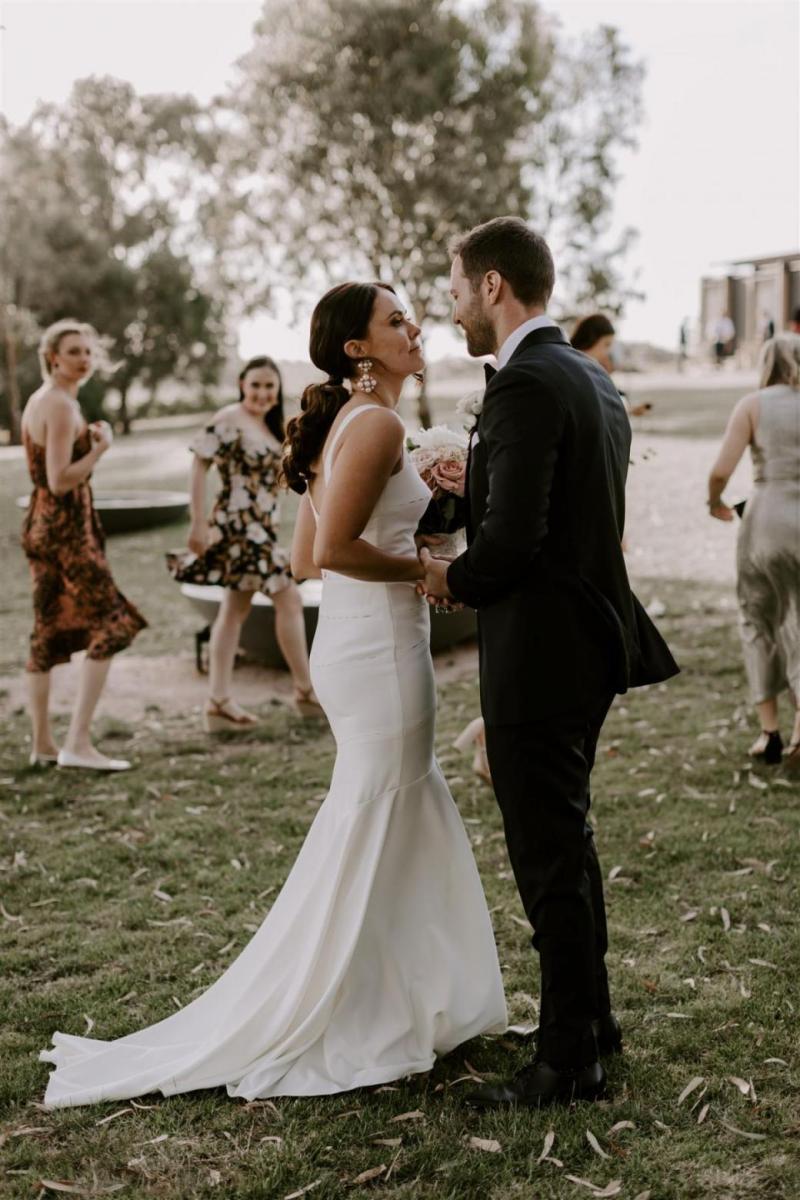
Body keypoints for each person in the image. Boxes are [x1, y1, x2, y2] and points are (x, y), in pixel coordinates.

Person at [39, 281, 506, 1109]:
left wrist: (422, 530)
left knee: (391, 805)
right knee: (383, 805)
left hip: (366, 644)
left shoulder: (351, 424)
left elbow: (303, 557)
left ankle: (399, 990)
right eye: (396, 321)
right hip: (377, 651)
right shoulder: (375, 422)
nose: (415, 327)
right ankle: (355, 1001)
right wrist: (429, 570)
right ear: (358, 348)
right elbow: (329, 551)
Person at [420, 216, 679, 1109]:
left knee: (547, 857)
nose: (451, 305)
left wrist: (439, 575)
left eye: (456, 287)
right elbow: (570, 508)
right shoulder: (587, 378)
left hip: (542, 655)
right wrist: (479, 480)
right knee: (568, 846)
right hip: (588, 645)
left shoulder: (526, 383)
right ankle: (589, 1021)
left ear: (494, 286)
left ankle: (569, 1064)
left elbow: (514, 551)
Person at [20, 319, 146, 772]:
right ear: (53, 357)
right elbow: (58, 480)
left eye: (89, 351)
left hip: (43, 527)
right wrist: (100, 450)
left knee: (47, 629)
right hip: (65, 531)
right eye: (74, 351)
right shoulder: (56, 404)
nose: (85, 359)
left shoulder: (50, 400)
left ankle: (43, 746)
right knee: (113, 624)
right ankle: (77, 743)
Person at [167, 357, 319, 728]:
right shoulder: (229, 418)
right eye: (256, 385)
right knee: (289, 596)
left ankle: (218, 702)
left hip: (260, 529)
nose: (263, 393)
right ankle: (305, 691)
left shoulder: (266, 425)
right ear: (241, 384)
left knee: (233, 611)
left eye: (270, 386)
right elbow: (199, 464)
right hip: (238, 528)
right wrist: (198, 522)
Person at [707, 333, 800, 772]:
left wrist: (716, 503)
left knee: (758, 616)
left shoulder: (753, 404)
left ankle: (770, 732)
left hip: (765, 521)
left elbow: (720, 472)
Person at [570, 313, 650, 417]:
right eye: (606, 344)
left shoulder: (589, 366)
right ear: (591, 338)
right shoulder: (576, 368)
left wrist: (629, 410)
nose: (607, 352)